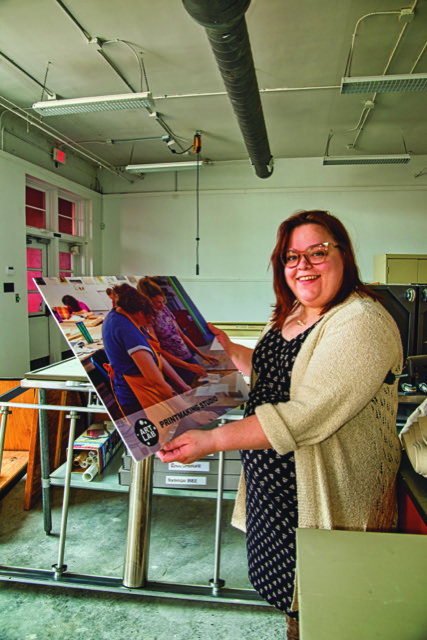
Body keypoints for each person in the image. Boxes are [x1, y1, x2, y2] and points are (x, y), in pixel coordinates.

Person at [158, 210, 403, 639]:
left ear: (343, 255)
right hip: (275, 496)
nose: (303, 265)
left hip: (328, 500)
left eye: (317, 252)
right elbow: (280, 376)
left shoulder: (361, 321)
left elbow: (307, 412)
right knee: (295, 607)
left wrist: (212, 440)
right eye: (292, 256)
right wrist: (231, 351)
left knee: (333, 611)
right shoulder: (292, 313)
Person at [102, 284, 191, 416]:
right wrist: (191, 412)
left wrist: (183, 386)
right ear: (141, 313)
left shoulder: (124, 315)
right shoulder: (127, 330)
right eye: (150, 318)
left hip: (148, 391)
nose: (150, 322)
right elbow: (156, 382)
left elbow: (156, 354)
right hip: (138, 401)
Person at [137, 277, 218, 384]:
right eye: (158, 303)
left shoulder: (165, 309)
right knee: (193, 386)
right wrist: (187, 366)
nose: (162, 306)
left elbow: (181, 335)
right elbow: (158, 350)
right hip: (176, 362)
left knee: (205, 379)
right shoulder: (148, 319)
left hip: (186, 354)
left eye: (163, 302)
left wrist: (201, 354)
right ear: (148, 301)